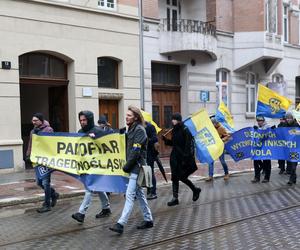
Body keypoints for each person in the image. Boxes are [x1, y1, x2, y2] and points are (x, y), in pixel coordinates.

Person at [109, 106, 153, 234]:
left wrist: (127, 165)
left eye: (129, 115)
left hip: (136, 167)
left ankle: (121, 223)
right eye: (126, 115)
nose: (126, 117)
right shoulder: (131, 129)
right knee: (139, 194)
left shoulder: (139, 130)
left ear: (136, 117)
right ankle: (148, 219)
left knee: (129, 195)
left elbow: (136, 150)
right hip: (133, 167)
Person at [71, 111, 111, 223]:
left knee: (89, 188)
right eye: (81, 120)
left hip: (97, 165)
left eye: (84, 120)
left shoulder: (98, 131)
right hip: (85, 165)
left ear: (89, 119)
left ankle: (81, 213)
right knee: (97, 188)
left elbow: (106, 147)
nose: (82, 122)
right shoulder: (80, 132)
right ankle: (106, 208)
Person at [162, 112, 201, 207]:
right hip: (174, 158)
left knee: (182, 177)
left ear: (178, 120)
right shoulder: (174, 130)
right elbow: (175, 144)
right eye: (172, 119)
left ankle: (195, 189)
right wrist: (166, 141)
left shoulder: (185, 130)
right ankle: (175, 198)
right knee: (174, 178)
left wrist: (185, 159)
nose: (172, 121)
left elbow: (188, 146)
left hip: (183, 158)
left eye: (174, 119)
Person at [26, 113, 59, 213]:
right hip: (37, 160)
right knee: (39, 182)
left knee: (45, 182)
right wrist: (28, 154)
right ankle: (54, 194)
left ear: (41, 120)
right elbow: (30, 143)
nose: (33, 122)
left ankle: (47, 204)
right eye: (33, 120)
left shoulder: (48, 129)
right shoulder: (33, 131)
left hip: (46, 160)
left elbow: (51, 144)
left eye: (35, 120)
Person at [206, 117, 230, 181]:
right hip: (213, 147)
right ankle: (210, 176)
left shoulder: (221, 128)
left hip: (220, 147)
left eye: (212, 124)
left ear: (215, 123)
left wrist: (222, 140)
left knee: (222, 161)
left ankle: (226, 173)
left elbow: (227, 136)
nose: (211, 125)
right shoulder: (211, 129)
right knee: (210, 161)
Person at [251, 116, 272, 183]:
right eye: (258, 121)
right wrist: (255, 130)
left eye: (260, 121)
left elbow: (269, 136)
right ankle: (257, 177)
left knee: (267, 162)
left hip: (266, 148)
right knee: (256, 161)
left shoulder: (268, 127)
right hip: (258, 147)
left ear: (263, 121)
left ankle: (266, 177)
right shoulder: (256, 127)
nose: (259, 122)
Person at [283, 112, 299, 185]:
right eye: (287, 118)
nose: (288, 119)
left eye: (290, 118)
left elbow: (297, 135)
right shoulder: (285, 125)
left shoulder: (296, 125)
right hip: (288, 149)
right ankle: (294, 177)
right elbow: (281, 133)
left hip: (295, 149)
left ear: (292, 118)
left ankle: (291, 179)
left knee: (293, 165)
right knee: (289, 164)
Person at [145, 121, 158, 200]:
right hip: (142, 154)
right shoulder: (137, 127)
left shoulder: (150, 127)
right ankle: (148, 191)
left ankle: (153, 192)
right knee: (145, 173)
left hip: (149, 154)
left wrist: (146, 140)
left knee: (150, 172)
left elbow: (155, 138)